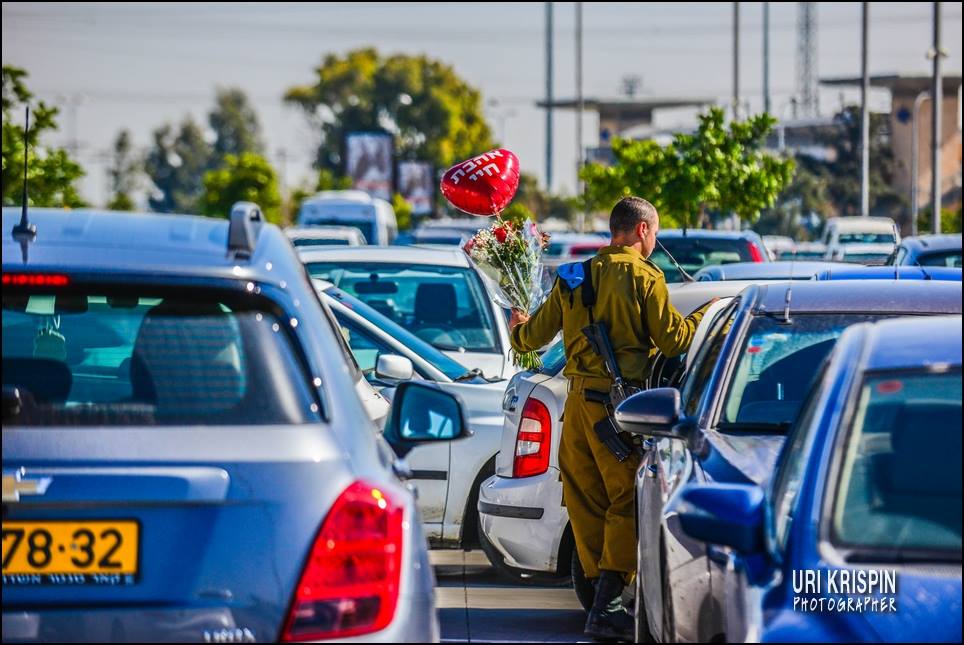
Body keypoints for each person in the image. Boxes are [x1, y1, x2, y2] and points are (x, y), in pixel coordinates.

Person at [509, 196, 714, 642]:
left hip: (576, 408)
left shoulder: (573, 275)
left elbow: (532, 338)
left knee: (584, 502)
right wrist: (708, 314)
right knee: (626, 500)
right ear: (642, 230)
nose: (654, 241)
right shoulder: (644, 276)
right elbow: (675, 341)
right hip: (620, 410)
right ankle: (608, 605)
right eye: (654, 233)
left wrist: (517, 325)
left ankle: (601, 596)